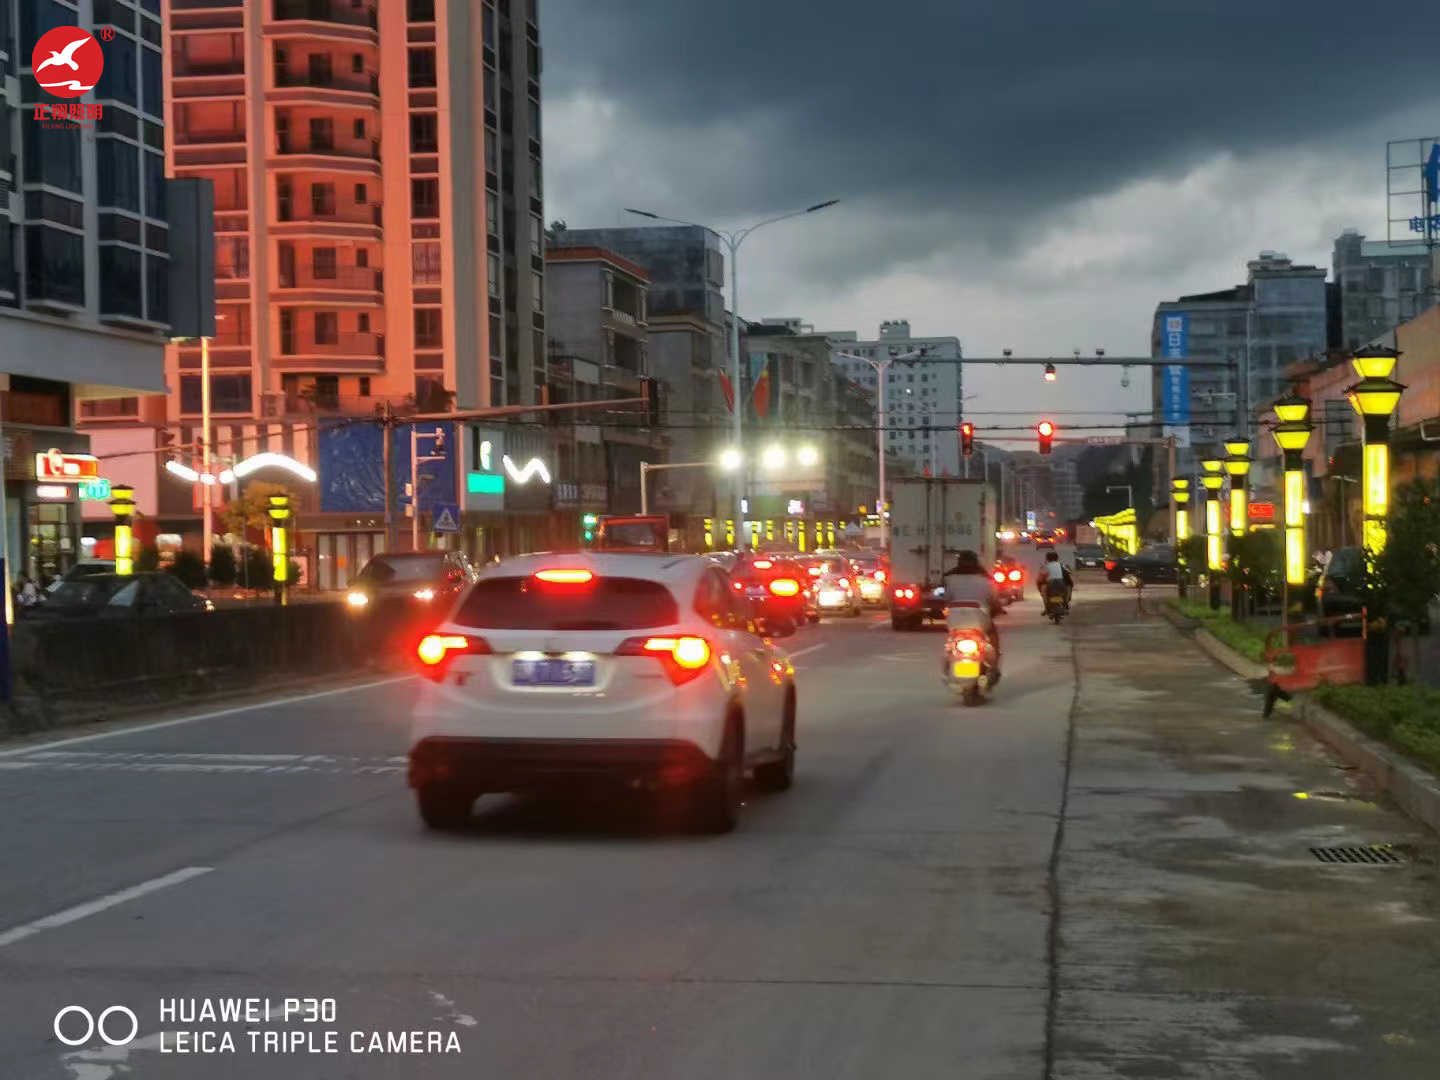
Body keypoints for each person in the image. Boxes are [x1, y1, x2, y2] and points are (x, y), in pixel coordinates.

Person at [941, 549, 1002, 678]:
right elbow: (994, 600)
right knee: (992, 638)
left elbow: (946, 599)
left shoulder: (950, 579)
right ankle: (994, 665)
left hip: (956, 621)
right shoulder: (986, 580)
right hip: (980, 620)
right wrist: (996, 609)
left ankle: (948, 666)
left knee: (950, 644)